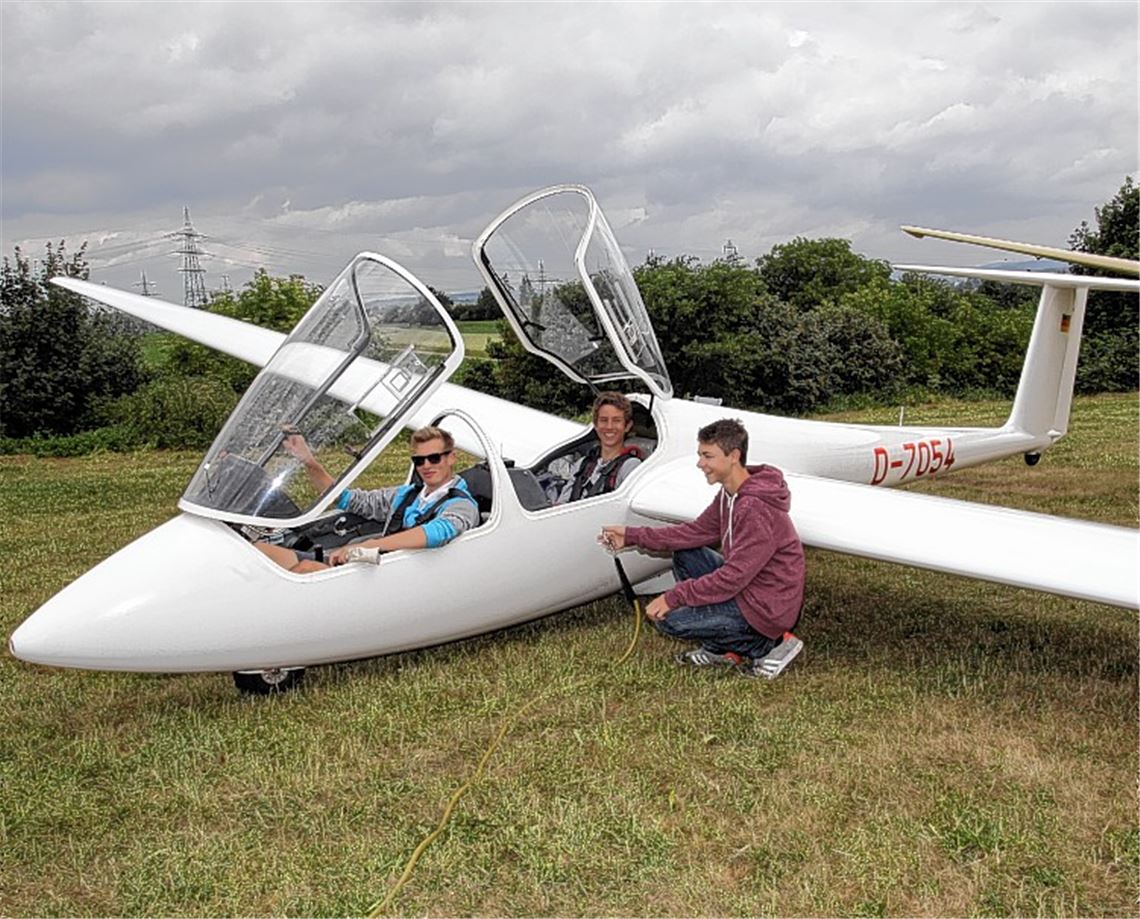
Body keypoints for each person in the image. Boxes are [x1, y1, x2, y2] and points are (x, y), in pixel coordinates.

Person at [600, 418, 805, 677]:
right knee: (685, 552)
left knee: (671, 622)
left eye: (707, 456)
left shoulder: (755, 508)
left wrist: (674, 597)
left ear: (734, 456)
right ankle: (721, 649)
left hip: (767, 606)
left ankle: (771, 646)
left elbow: (733, 577)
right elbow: (694, 533)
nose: (700, 463)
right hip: (749, 588)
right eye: (700, 455)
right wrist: (631, 535)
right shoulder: (731, 493)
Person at [256, 425, 480, 574]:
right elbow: (348, 499)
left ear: (452, 458)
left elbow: (437, 532)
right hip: (366, 565)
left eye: (434, 458)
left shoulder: (462, 504)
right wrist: (308, 461)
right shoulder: (407, 495)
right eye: (419, 461)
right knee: (261, 551)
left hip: (393, 578)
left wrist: (368, 546)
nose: (426, 466)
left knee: (304, 569)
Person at [551, 391, 644, 504]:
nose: (609, 427)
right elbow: (561, 505)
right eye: (604, 420)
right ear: (595, 425)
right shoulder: (582, 464)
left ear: (627, 426)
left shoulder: (631, 466)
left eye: (616, 420)